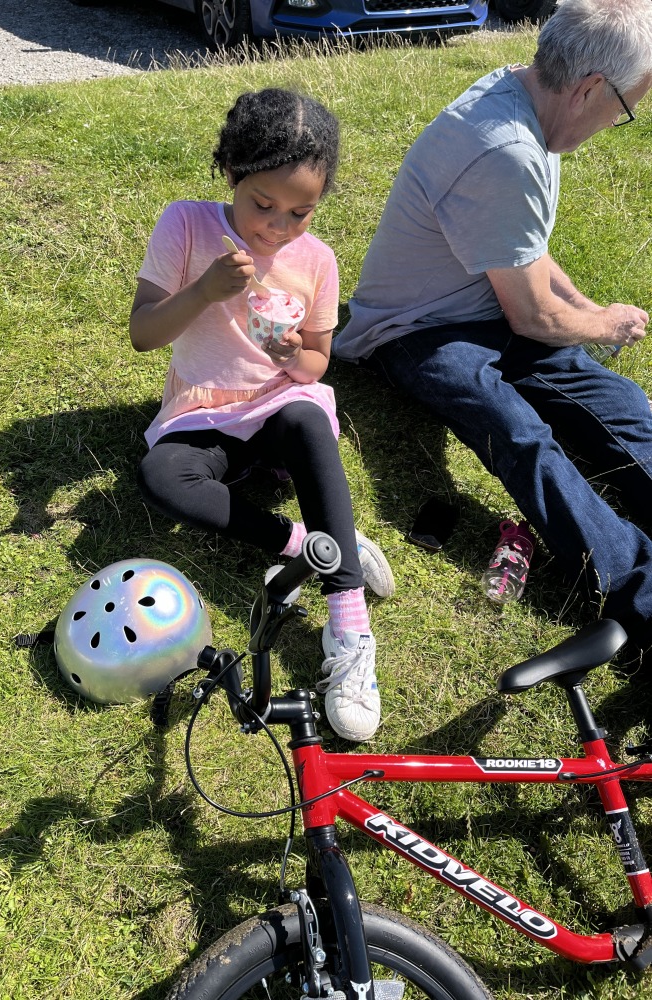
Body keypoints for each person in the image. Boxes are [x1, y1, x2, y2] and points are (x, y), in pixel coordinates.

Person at [333, 0, 652, 663]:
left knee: (620, 408)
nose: (616, 124)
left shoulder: (529, 96)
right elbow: (532, 317)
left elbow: (521, 248)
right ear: (591, 87)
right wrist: (603, 322)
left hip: (484, 307)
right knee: (519, 431)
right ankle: (635, 583)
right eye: (625, 110)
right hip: (416, 332)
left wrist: (585, 307)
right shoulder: (505, 148)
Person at [130, 88, 394, 742]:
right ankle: (314, 545)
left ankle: (349, 622)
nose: (277, 228)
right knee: (161, 478)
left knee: (307, 417)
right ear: (232, 175)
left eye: (301, 213)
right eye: (263, 206)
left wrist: (290, 350)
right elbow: (143, 333)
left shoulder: (318, 261)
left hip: (277, 406)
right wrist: (204, 290)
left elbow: (315, 367)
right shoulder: (187, 225)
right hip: (204, 412)